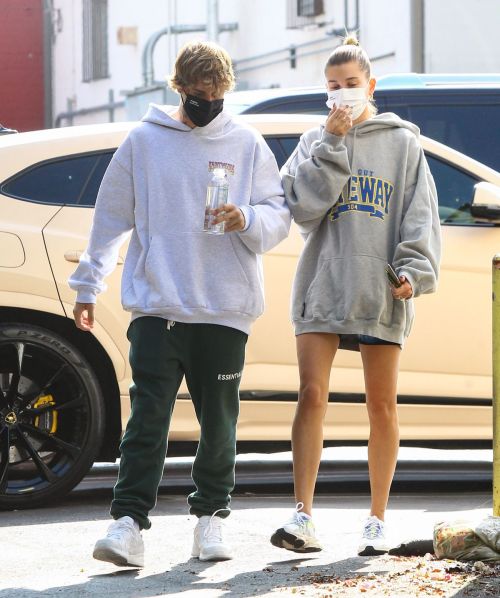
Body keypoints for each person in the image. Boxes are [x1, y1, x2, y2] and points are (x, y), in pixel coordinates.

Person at [69, 41, 290, 567]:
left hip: (224, 306)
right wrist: (87, 285)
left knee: (219, 423)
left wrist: (249, 219)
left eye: (212, 95)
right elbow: (110, 218)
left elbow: (278, 214)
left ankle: (210, 520)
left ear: (226, 91)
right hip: (158, 305)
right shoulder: (144, 142)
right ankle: (126, 524)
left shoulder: (246, 143)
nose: (203, 104)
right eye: (194, 95)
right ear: (179, 88)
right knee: (147, 418)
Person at [271, 35, 441, 557]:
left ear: (371, 85)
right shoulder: (314, 139)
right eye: (332, 87)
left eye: (351, 85)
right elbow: (302, 208)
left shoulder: (403, 143)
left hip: (379, 286)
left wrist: (416, 271)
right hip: (323, 279)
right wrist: (332, 142)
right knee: (311, 396)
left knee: (381, 406)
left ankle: (376, 519)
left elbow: (420, 216)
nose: (342, 94)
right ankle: (302, 516)